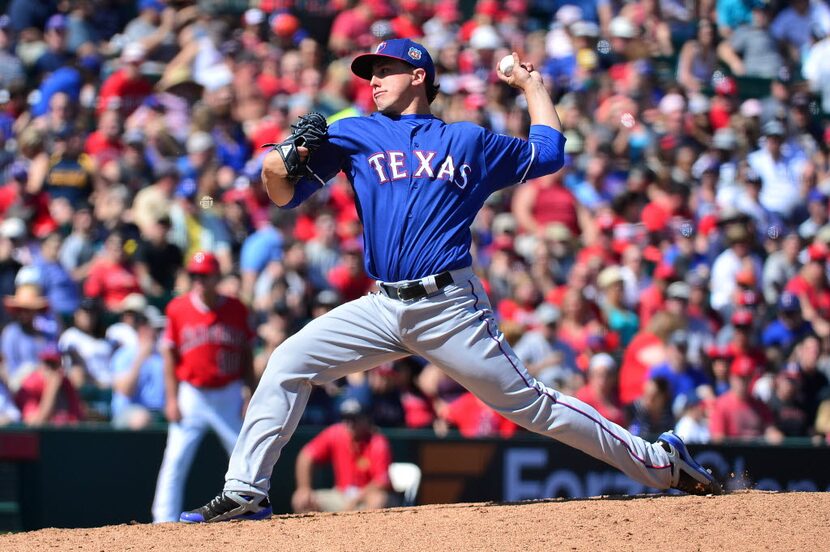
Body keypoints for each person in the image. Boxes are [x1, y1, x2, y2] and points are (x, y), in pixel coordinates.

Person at [181, 39, 720, 524]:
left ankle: (659, 461)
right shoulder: (352, 132)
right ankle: (246, 490)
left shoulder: (467, 140)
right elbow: (278, 192)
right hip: (381, 306)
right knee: (286, 363)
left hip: (449, 307)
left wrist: (531, 84)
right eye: (369, 72)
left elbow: (550, 151)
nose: (372, 79)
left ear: (419, 76)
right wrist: (285, 159)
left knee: (531, 406)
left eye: (384, 69)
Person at [152, 251, 255, 523]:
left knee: (244, 459)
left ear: (216, 277)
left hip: (228, 393)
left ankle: (251, 509)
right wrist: (172, 399)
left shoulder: (236, 308)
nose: (198, 280)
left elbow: (246, 354)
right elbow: (169, 357)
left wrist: (249, 393)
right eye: (194, 275)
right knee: (174, 460)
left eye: (204, 275)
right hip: (192, 394)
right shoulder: (178, 308)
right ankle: (162, 521)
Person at [291, 398, 392, 513]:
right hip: (340, 495)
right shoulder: (336, 433)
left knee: (378, 499)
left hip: (366, 497)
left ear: (366, 420)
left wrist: (356, 499)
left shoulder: (377, 441)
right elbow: (306, 455)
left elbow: (382, 482)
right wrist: (304, 488)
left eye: (354, 419)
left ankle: (365, 531)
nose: (349, 423)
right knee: (301, 500)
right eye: (346, 418)